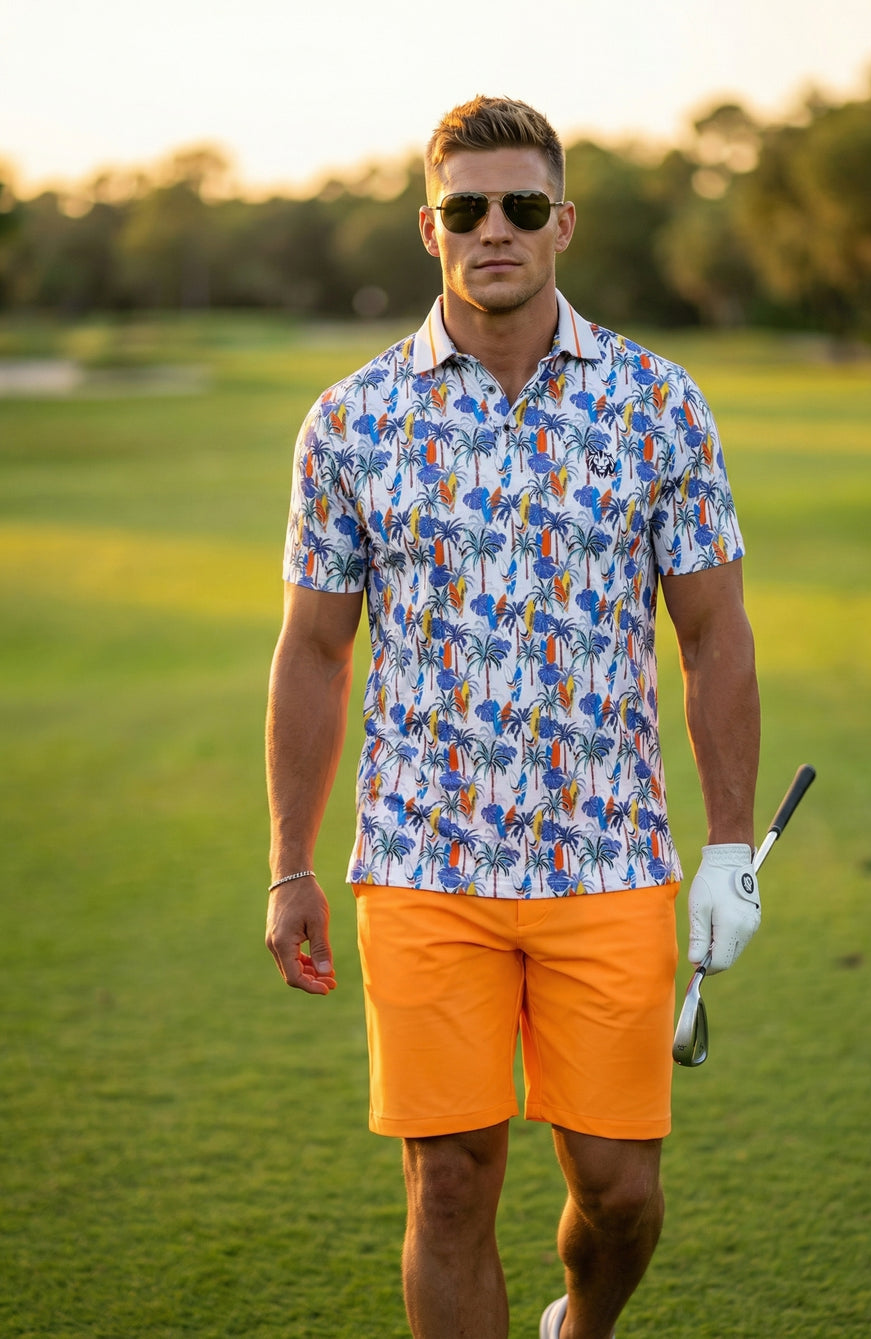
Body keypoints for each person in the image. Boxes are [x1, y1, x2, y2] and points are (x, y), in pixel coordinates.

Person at [265, 95, 761, 1339]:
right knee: (448, 1189)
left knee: (622, 1191)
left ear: (562, 224)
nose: (497, 229)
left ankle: (578, 1326)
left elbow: (712, 634)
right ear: (428, 228)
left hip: (609, 859)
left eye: (522, 207)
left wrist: (729, 848)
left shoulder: (657, 405)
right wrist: (287, 866)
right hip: (423, 865)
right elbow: (314, 653)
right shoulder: (349, 422)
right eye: (469, 209)